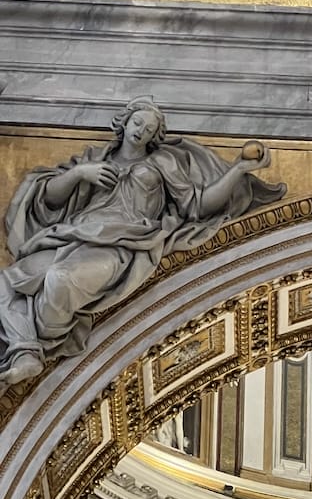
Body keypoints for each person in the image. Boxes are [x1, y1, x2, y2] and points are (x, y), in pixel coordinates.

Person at [0, 98, 284, 384]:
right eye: (138, 123)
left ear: (155, 136)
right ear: (124, 122)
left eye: (149, 129)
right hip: (72, 236)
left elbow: (197, 206)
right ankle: (25, 350)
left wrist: (238, 169)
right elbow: (48, 199)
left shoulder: (161, 162)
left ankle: (42, 340)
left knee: (60, 280)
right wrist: (78, 174)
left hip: (121, 244)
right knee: (4, 283)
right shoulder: (95, 158)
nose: (141, 131)